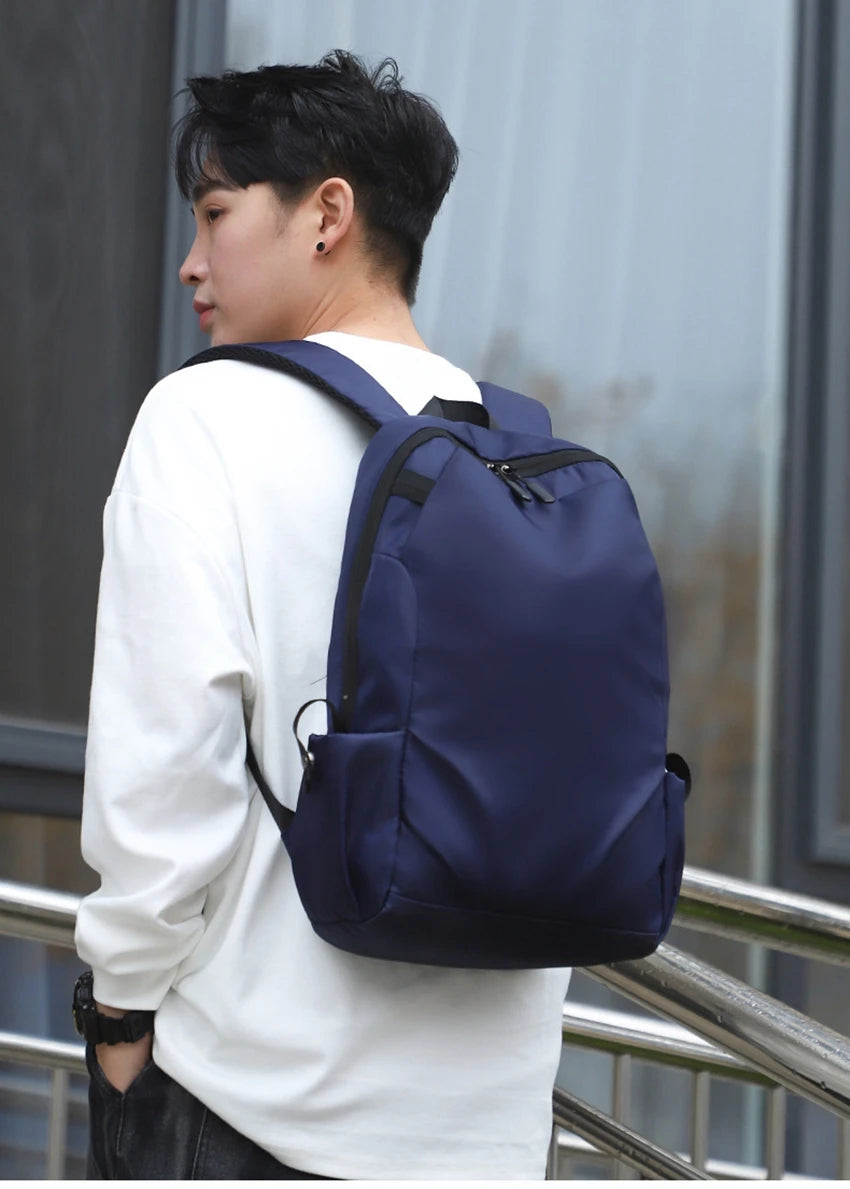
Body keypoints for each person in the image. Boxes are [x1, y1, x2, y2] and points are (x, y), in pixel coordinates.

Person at [74, 50, 571, 1180]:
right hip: (485, 1129)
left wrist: (118, 1016)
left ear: (327, 214)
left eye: (214, 212)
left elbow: (163, 779)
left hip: (257, 1104)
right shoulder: (514, 451)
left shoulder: (203, 417)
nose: (193, 265)